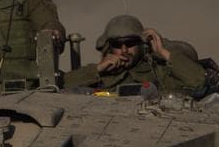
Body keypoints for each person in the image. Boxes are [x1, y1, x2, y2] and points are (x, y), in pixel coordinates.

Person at [62, 14, 206, 96]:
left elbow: (199, 82)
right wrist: (97, 69)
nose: (124, 50)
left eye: (130, 43)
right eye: (117, 45)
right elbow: (57, 87)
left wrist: (163, 52)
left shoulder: (157, 71)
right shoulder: (100, 74)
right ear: (109, 47)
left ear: (141, 44)